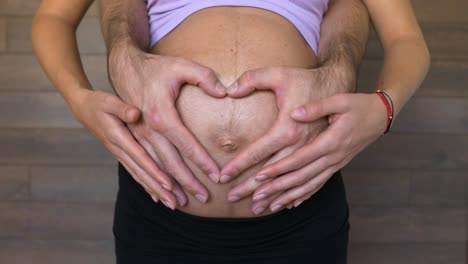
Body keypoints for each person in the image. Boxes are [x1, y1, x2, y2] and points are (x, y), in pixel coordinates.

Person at [32, 0, 429, 263]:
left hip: (298, 210)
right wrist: (79, 99)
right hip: (161, 210)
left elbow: (407, 41)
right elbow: (53, 18)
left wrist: (384, 109)